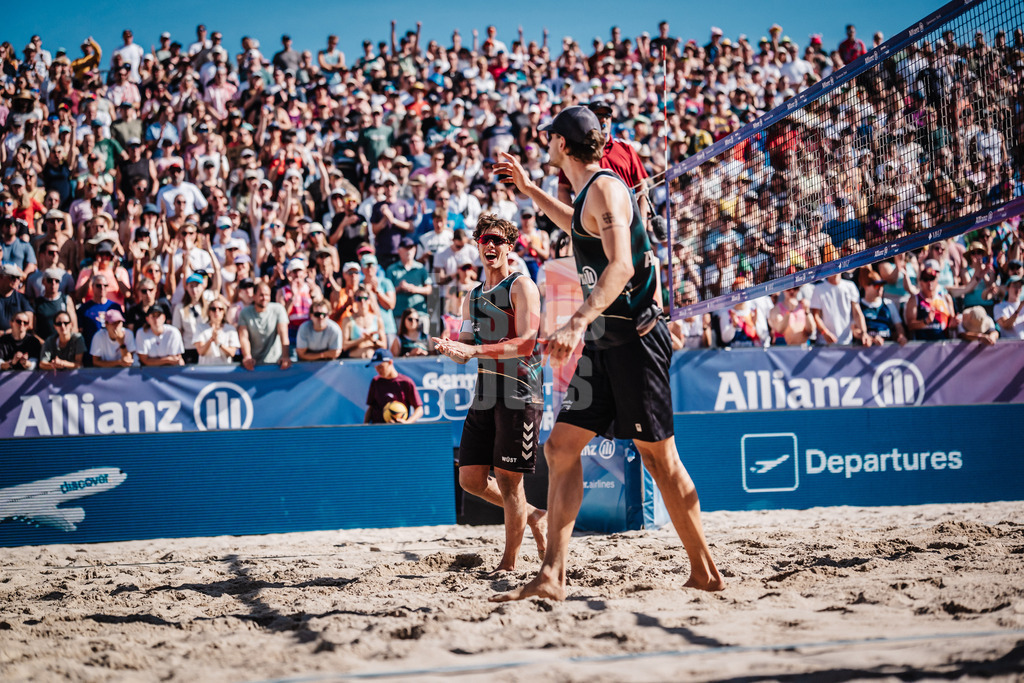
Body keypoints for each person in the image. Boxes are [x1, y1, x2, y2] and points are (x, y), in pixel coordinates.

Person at [491, 105, 723, 601]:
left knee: (661, 462)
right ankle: (552, 576)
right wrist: (529, 191)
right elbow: (579, 226)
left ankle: (705, 570)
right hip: (604, 344)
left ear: (561, 143)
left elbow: (619, 266)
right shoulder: (584, 196)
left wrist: (575, 324)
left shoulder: (606, 186)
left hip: (635, 342)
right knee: (559, 448)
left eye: (549, 137)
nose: (545, 143)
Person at [432, 213, 548, 570]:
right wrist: (452, 348)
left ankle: (509, 563)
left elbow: (527, 342)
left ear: (510, 247)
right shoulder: (472, 296)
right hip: (485, 393)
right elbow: (467, 347)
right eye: (485, 240)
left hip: (520, 393)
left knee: (510, 483)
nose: (491, 245)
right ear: (478, 246)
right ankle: (534, 515)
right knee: (469, 479)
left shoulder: (521, 286)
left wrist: (474, 351)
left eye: (498, 240)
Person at [239, 281, 291, 369]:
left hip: (276, 363)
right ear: (254, 296)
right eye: (261, 295)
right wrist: (247, 357)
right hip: (255, 364)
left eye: (267, 295)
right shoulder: (245, 313)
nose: (264, 298)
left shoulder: (278, 309)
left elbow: (284, 334)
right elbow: (244, 337)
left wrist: (285, 356)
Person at [364, 348, 423, 424]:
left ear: (390, 362)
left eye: (381, 366)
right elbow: (371, 407)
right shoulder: (376, 381)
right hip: (378, 429)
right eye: (375, 367)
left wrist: (407, 422)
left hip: (399, 429)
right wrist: (365, 426)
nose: (378, 370)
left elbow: (419, 409)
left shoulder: (406, 382)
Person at [810, 273, 866, 346]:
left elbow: (857, 314)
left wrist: (864, 332)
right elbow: (816, 316)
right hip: (824, 345)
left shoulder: (850, 286)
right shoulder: (818, 289)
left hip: (847, 343)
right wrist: (825, 332)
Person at [856, 268, 907, 346]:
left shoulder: (888, 303)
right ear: (866, 287)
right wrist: (869, 338)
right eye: (876, 285)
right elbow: (854, 329)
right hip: (865, 349)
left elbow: (899, 326)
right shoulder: (858, 305)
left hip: (887, 350)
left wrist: (901, 336)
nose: (880, 288)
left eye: (881, 285)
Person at [341, 284, 386, 359]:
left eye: (365, 298)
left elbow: (384, 345)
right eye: (359, 299)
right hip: (355, 360)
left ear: (369, 300)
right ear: (355, 300)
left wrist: (373, 341)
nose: (362, 301)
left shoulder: (377, 319)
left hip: (372, 360)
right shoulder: (348, 320)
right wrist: (363, 339)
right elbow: (345, 346)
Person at [193, 295, 240, 365]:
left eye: (220, 309)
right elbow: (201, 352)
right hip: (205, 370)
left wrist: (218, 343)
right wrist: (211, 340)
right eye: (213, 309)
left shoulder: (230, 329)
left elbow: (232, 353)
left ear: (224, 312)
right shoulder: (200, 328)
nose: (216, 311)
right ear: (209, 312)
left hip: (224, 370)